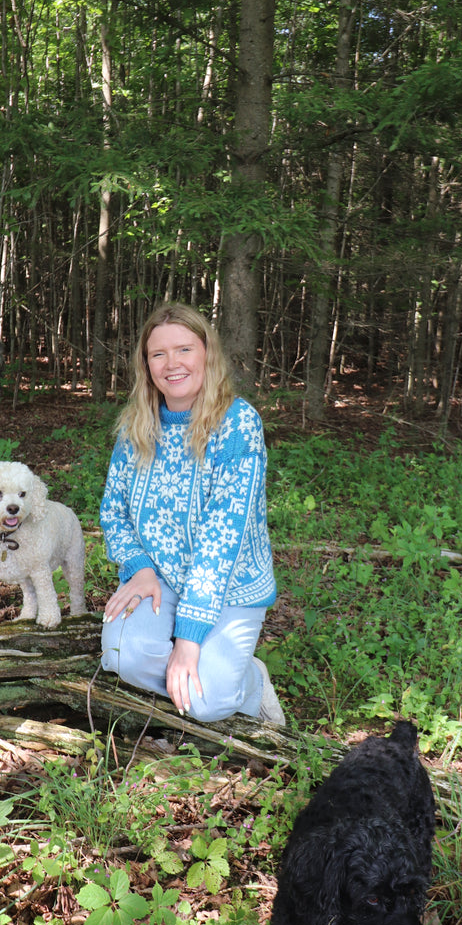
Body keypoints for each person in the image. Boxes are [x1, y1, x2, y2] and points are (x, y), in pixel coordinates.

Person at [100, 303, 284, 725]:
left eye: (184, 349)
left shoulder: (237, 425)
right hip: (160, 580)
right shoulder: (137, 426)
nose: (172, 364)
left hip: (230, 589)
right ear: (146, 365)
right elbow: (112, 511)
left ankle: (249, 683)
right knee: (117, 654)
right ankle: (203, 671)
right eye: (158, 354)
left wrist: (189, 637)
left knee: (208, 703)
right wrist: (140, 568)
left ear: (207, 354)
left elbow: (220, 543)